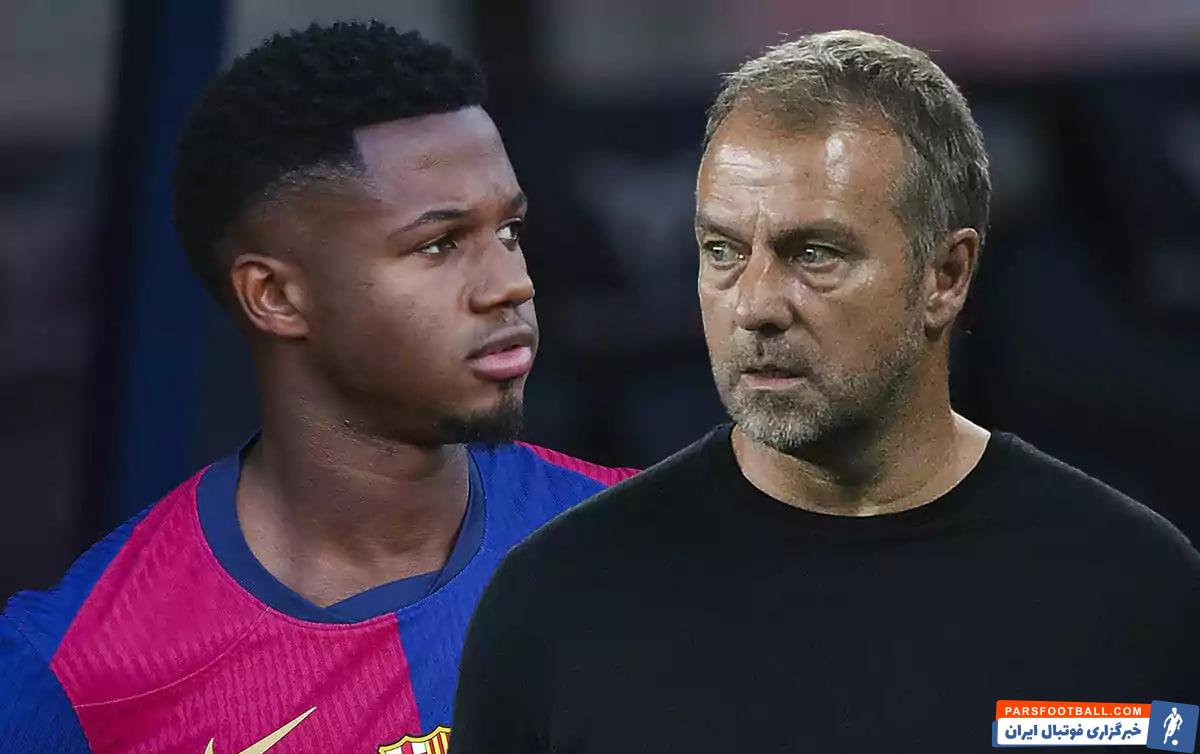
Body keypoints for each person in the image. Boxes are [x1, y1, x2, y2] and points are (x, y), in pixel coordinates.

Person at [451, 30, 1200, 752]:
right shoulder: (556, 605)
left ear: (946, 277)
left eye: (814, 253)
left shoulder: (1134, 587)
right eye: (722, 251)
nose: (756, 306)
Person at [0, 22, 635, 753]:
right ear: (275, 297)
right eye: (438, 243)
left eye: (510, 231)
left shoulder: (650, 547)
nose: (511, 283)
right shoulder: (75, 669)